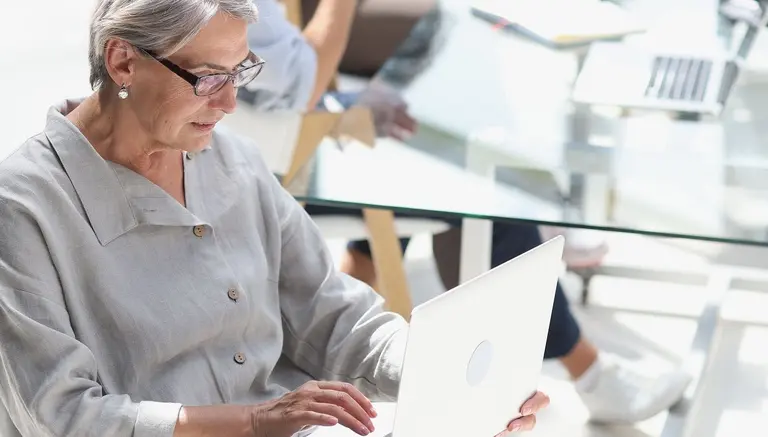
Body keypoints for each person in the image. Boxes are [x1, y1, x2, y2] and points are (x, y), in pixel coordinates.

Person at [0, 1, 551, 436]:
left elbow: (332, 316)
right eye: (210, 77)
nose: (232, 102)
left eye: (241, 71)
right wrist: (257, 423)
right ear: (123, 61)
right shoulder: (25, 207)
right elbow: (60, 417)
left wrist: (454, 376)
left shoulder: (235, 162)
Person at [242, 0, 693, 425]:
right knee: (468, 176)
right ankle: (587, 369)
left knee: (442, 107)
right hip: (277, 158)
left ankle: (369, 267)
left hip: (287, 128)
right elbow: (298, 80)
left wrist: (343, 107)